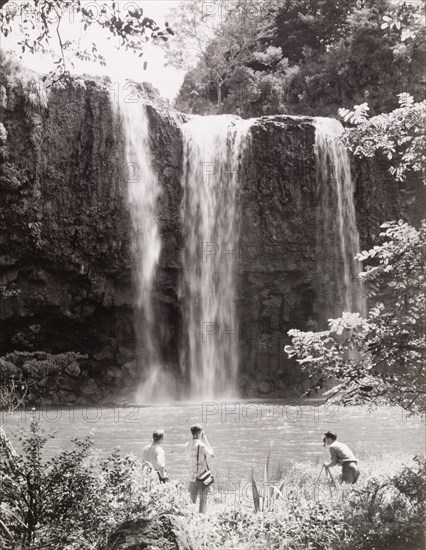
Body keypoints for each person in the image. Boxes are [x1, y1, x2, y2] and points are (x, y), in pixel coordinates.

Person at [185, 424, 215, 514]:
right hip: (202, 476)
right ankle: (201, 517)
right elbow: (212, 455)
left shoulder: (187, 445)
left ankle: (191, 516)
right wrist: (206, 440)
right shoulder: (202, 445)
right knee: (203, 500)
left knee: (192, 500)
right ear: (199, 433)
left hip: (192, 475)